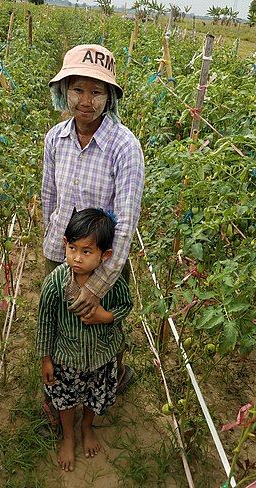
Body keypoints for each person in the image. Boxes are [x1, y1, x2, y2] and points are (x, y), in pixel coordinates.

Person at [42, 43, 144, 392]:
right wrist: (53, 243)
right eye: (77, 89)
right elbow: (49, 197)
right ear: (63, 91)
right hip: (61, 250)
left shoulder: (124, 146)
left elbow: (126, 221)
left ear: (109, 97)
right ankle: (61, 386)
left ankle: (109, 382)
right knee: (59, 319)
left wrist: (101, 282)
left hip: (103, 258)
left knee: (104, 324)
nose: (86, 100)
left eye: (96, 91)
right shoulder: (55, 138)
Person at [36, 208, 133, 472]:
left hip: (102, 356)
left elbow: (127, 305)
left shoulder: (111, 284)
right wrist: (46, 359)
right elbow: (45, 323)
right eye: (73, 249)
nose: (77, 258)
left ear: (106, 255)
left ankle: (86, 426)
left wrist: (107, 316)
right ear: (64, 245)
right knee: (65, 398)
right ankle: (69, 435)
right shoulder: (55, 283)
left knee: (95, 396)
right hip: (66, 358)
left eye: (87, 251)